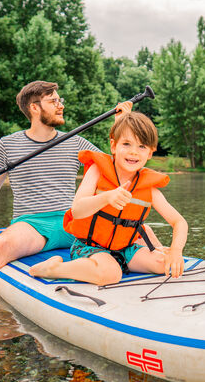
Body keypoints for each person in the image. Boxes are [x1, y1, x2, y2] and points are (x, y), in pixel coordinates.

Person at [0, 80, 137, 296]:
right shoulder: (7, 144)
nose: (60, 105)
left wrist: (120, 125)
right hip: (32, 225)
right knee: (0, 245)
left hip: (74, 223)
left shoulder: (76, 143)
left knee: (137, 232)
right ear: (34, 107)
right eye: (53, 101)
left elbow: (118, 170)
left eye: (59, 100)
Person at [29, 111, 187, 285]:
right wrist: (107, 198)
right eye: (127, 144)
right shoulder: (97, 171)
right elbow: (77, 210)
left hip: (124, 248)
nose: (134, 152)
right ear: (113, 146)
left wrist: (176, 251)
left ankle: (114, 263)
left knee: (163, 264)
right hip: (89, 246)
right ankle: (52, 269)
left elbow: (179, 222)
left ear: (150, 153)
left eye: (142, 147)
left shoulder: (148, 187)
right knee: (112, 274)